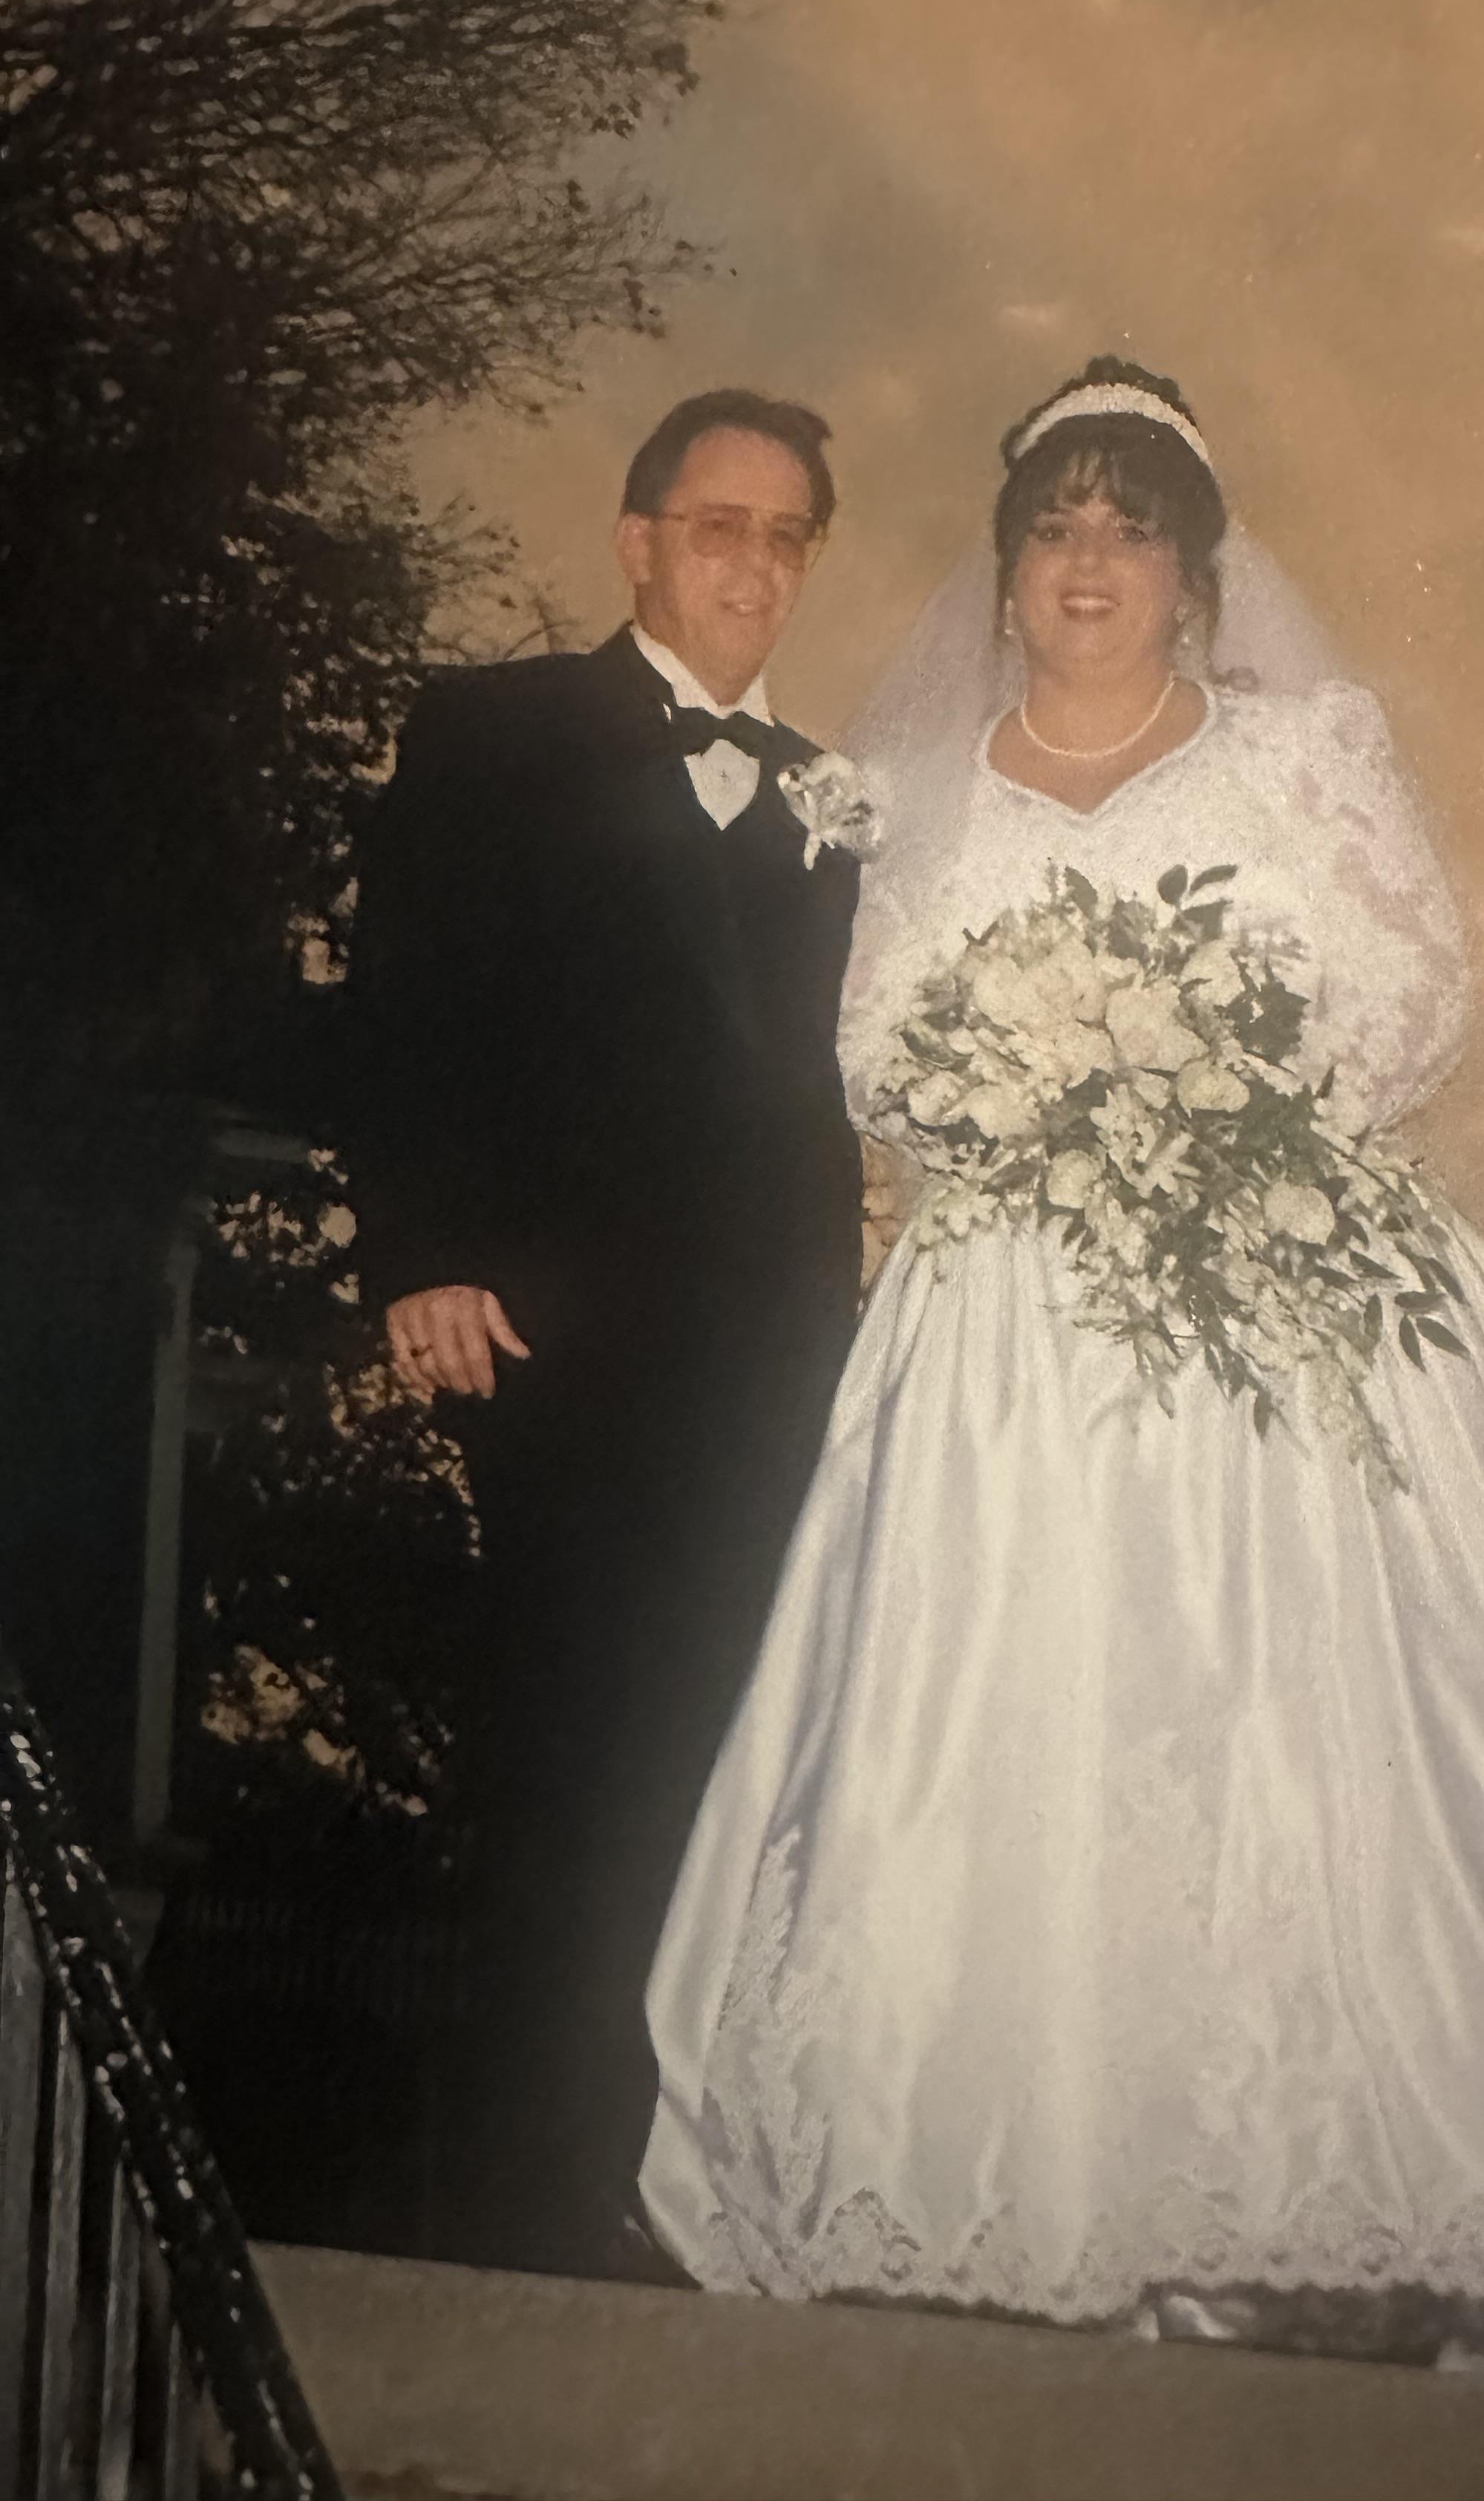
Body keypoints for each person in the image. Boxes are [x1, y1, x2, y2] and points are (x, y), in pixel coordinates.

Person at [638, 359, 1484, 2375]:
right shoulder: (908, 794)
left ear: (1195, 573)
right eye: (1055, 522)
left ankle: (1381, 2208)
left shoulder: (1303, 754)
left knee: (1327, 1751)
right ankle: (1054, 2208)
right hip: (1006, 1357)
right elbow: (871, 1047)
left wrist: (1206, 1078)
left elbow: (1420, 986)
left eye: (1131, 525)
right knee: (1028, 1748)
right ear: (1004, 567)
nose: (1088, 560)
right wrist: (1038, 1080)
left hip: (1281, 1301)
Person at [347, 387, 871, 2276]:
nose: (749, 562)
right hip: (554, 1344)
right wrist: (416, 1249)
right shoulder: (492, 734)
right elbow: (399, 1002)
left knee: (733, 1767)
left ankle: (671, 2197)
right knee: (563, 1754)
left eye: (785, 534)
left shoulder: (841, 798)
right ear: (639, 540)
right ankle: (515, 2212)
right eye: (716, 524)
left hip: (781, 1373)